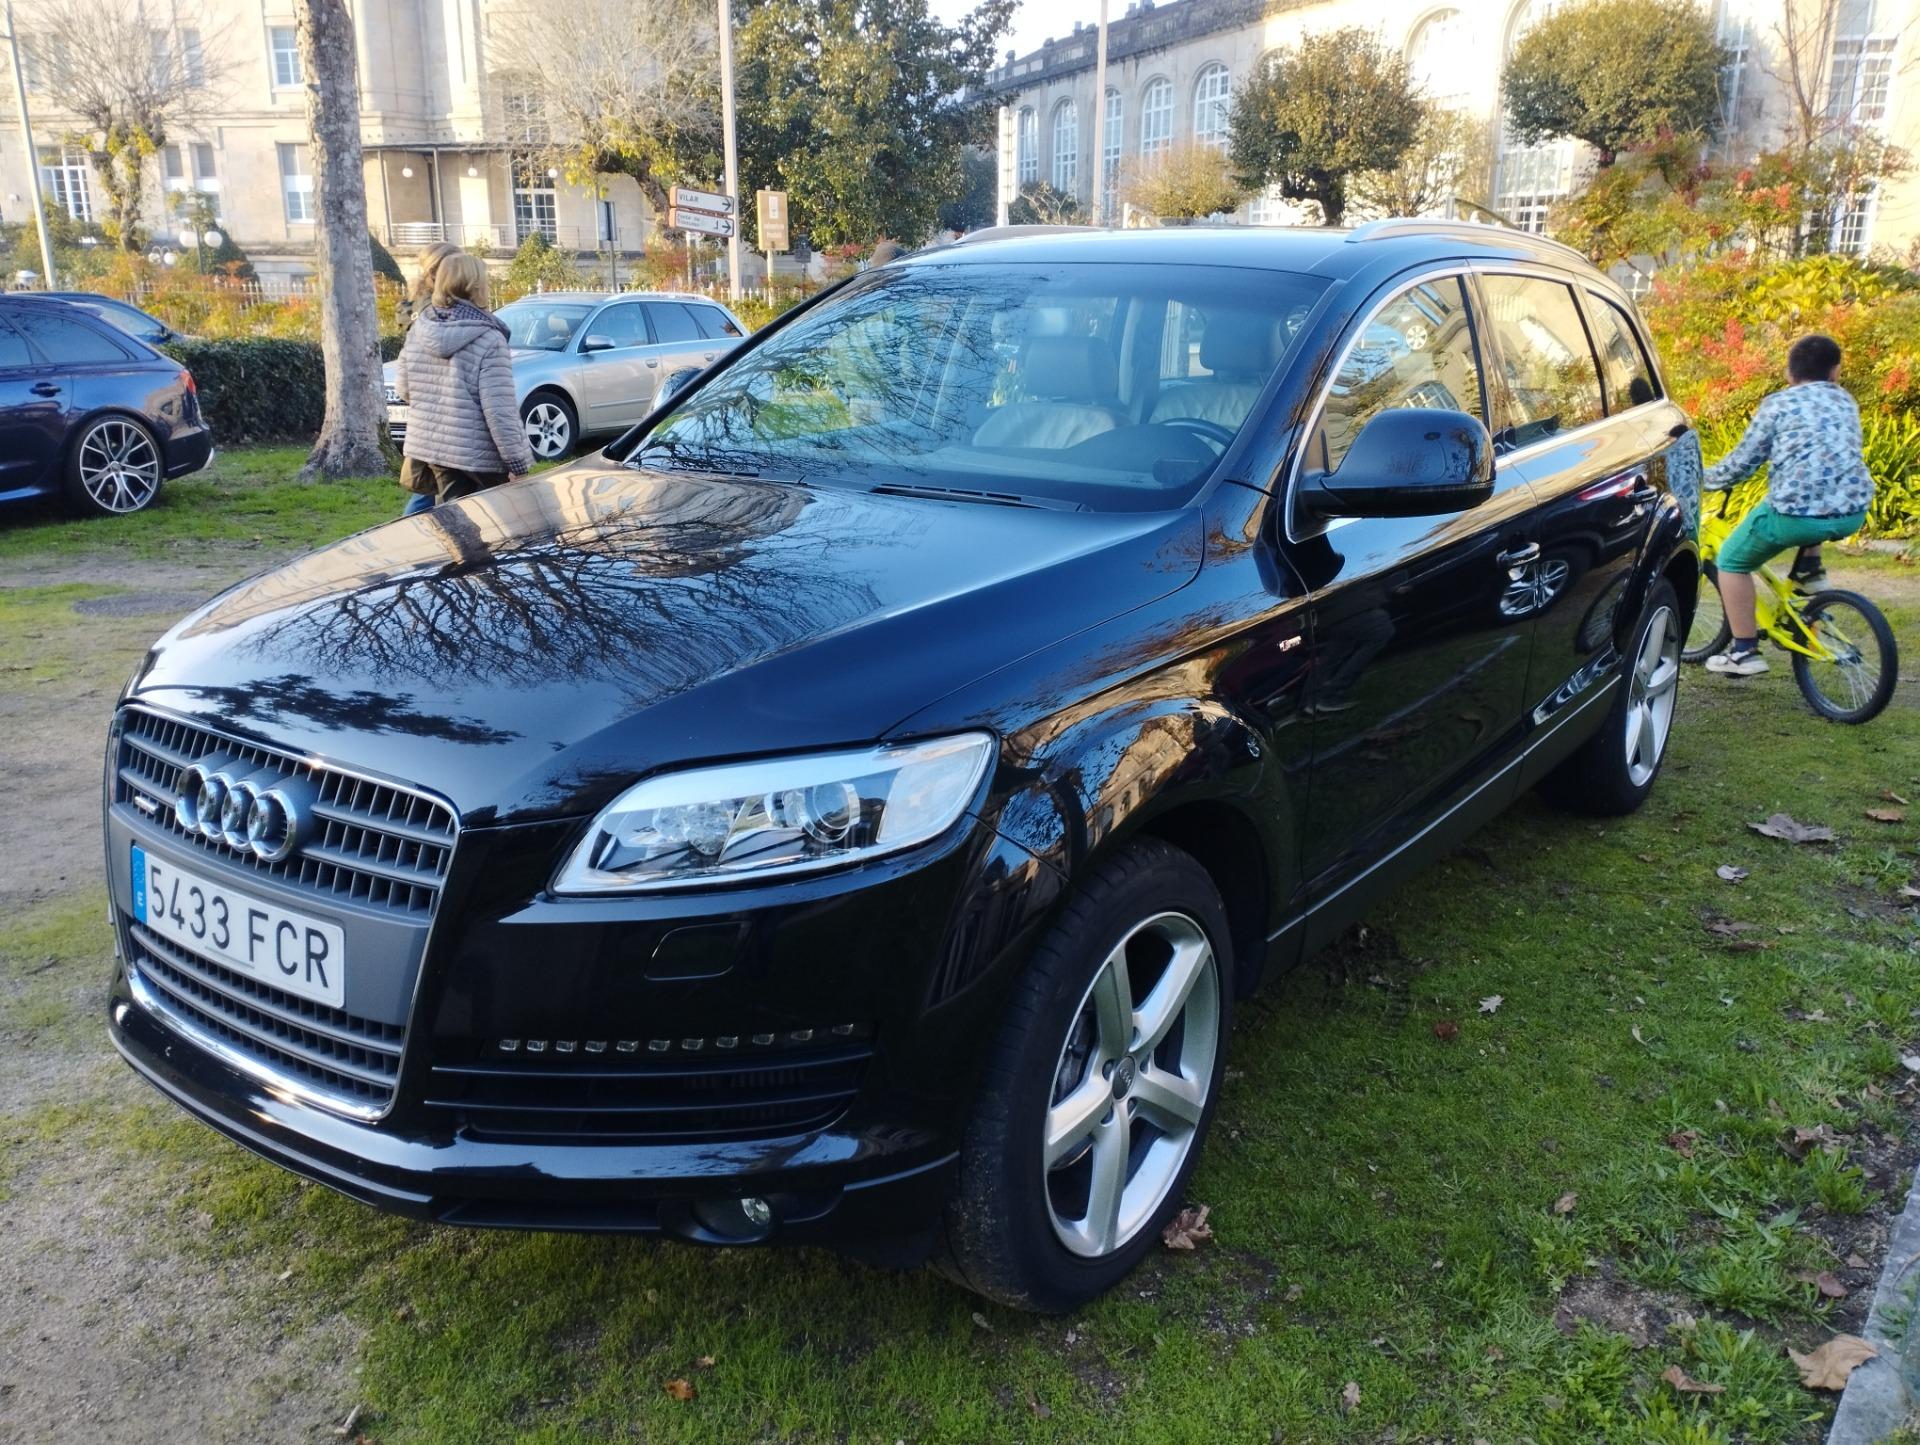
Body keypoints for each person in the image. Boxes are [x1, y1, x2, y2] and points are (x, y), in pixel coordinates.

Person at [1700, 333, 1875, 677]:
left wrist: (1705, 478)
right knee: (1819, 492)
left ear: (1789, 374)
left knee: (1730, 561)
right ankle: (1811, 569)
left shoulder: (1779, 404)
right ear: (1835, 372)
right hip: (1852, 511)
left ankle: (1744, 652)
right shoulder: (1845, 401)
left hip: (1796, 515)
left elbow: (1743, 462)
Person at [393, 252, 534, 505]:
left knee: (453, 520)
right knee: (513, 520)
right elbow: (499, 410)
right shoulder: (489, 338)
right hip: (482, 456)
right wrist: (517, 463)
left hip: (436, 449)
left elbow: (403, 388)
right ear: (476, 285)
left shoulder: (420, 329)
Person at [397, 241, 463, 517]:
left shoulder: (418, 309)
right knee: (445, 495)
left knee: (431, 490)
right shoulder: (439, 313)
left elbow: (405, 381)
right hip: (448, 419)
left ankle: (407, 531)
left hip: (427, 418)